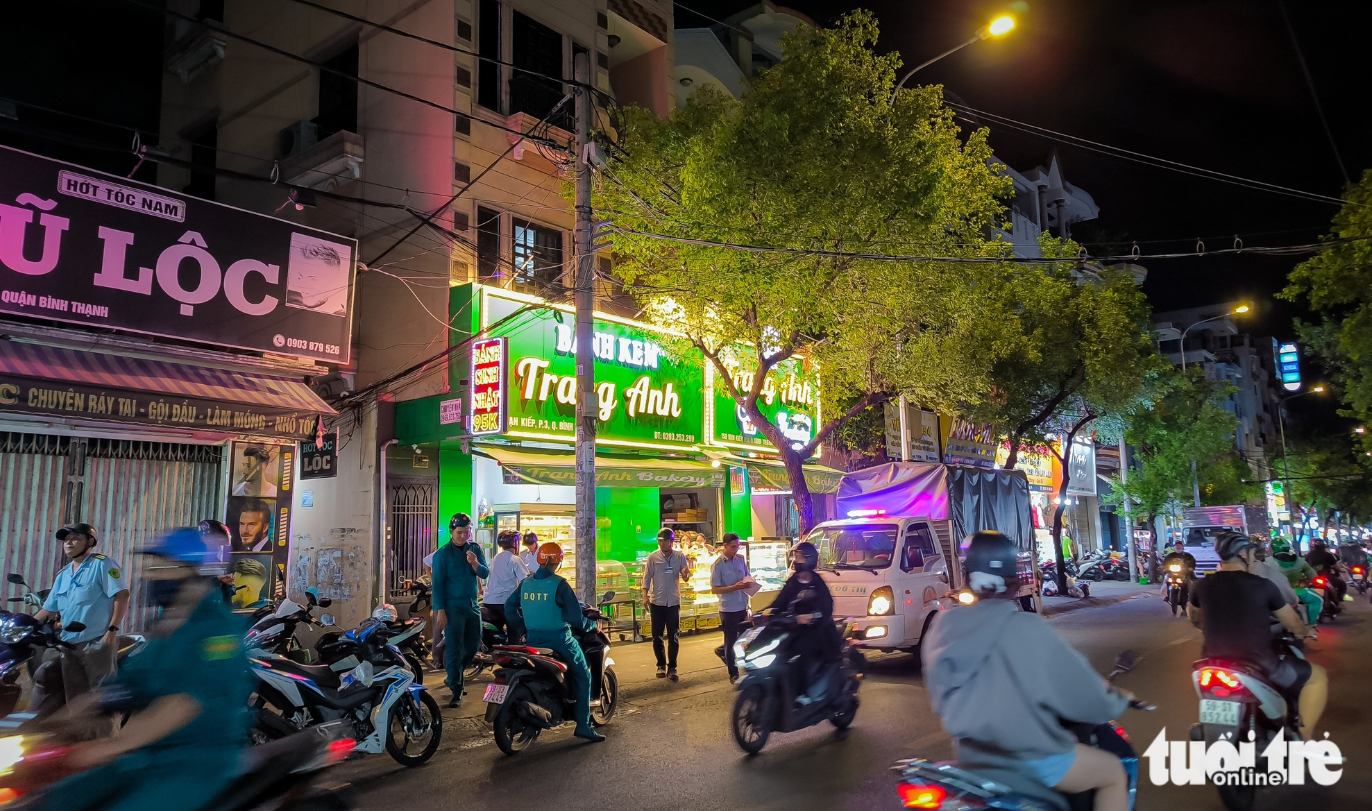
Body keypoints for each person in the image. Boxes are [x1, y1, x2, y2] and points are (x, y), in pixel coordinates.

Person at [33, 527, 254, 811]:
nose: (152, 575)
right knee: (53, 799)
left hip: (195, 765)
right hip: (149, 757)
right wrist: (51, 727)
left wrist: (109, 747)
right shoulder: (166, 628)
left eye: (165, 567)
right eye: (152, 567)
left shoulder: (215, 633)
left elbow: (182, 705)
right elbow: (123, 688)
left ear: (194, 574)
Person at [923, 531, 1133, 811]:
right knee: (1113, 774)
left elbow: (939, 697)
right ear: (1013, 578)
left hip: (972, 760)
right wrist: (1114, 700)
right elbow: (1080, 692)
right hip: (1033, 760)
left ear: (967, 575)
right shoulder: (1025, 628)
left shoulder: (942, 627)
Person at [1188, 532, 1325, 740]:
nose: (1255, 558)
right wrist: (1306, 630)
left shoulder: (1201, 585)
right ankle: (1303, 737)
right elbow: (1293, 623)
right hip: (1259, 663)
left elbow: (1195, 618)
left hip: (1211, 664)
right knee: (1317, 677)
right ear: (1244, 554)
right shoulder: (1262, 585)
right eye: (1253, 554)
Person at [503, 542, 605, 743]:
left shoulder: (526, 583)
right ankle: (583, 725)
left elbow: (509, 607)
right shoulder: (560, 584)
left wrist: (522, 628)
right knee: (584, 676)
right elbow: (575, 618)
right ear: (557, 562)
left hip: (532, 640)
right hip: (559, 641)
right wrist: (592, 626)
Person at [32, 523, 130, 714]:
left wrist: (112, 630)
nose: (69, 543)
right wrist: (24, 626)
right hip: (67, 645)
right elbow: (48, 609)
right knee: (76, 700)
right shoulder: (63, 574)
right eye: (66, 540)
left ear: (90, 541)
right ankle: (81, 741)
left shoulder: (103, 564)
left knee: (101, 699)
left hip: (96, 642)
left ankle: (105, 741)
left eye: (75, 538)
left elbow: (122, 595)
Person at [768, 541, 841, 704]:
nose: (797, 560)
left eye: (800, 557)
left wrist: (812, 616)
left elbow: (827, 607)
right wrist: (765, 613)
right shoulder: (793, 581)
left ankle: (805, 692)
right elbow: (780, 602)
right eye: (796, 556)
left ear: (810, 559)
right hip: (796, 628)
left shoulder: (817, 582)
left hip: (819, 631)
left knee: (801, 652)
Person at [431, 513, 488, 707]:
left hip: (472, 606)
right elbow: (437, 584)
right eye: (460, 532)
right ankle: (456, 688)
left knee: (473, 646)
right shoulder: (442, 555)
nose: (464, 536)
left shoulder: (475, 549)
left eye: (467, 531)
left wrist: (475, 563)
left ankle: (454, 675)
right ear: (451, 532)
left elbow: (485, 572)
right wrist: (440, 610)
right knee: (454, 648)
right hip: (452, 608)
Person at [642, 528, 691, 681]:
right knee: (657, 636)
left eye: (663, 541)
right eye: (659, 541)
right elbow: (647, 577)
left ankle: (673, 667)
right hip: (657, 601)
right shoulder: (653, 557)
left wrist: (685, 574)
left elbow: (686, 576)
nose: (661, 543)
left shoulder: (679, 556)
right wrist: (644, 596)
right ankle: (661, 665)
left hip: (673, 602)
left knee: (673, 635)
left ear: (671, 542)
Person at [710, 533, 755, 683]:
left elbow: (747, 577)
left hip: (742, 605)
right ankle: (733, 673)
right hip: (728, 608)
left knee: (745, 639)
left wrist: (749, 584)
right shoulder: (718, 565)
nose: (736, 549)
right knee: (730, 641)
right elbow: (715, 589)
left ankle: (747, 668)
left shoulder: (741, 560)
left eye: (738, 546)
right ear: (725, 546)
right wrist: (733, 587)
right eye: (733, 547)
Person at [483, 530, 530, 637]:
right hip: (505, 603)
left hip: (489, 601)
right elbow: (526, 581)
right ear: (515, 544)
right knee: (516, 631)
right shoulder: (515, 559)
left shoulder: (496, 558)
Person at [1271, 538, 1322, 627]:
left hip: (1276, 593)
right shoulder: (1298, 560)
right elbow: (1312, 575)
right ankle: (1311, 625)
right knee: (1317, 600)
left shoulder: (1267, 562)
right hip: (1298, 591)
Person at [1306, 539, 1348, 604]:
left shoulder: (1309, 555)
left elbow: (1305, 565)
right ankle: (1339, 598)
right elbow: (1335, 566)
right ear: (1324, 546)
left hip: (1312, 577)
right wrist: (1339, 570)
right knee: (1342, 584)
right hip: (1326, 577)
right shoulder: (1328, 555)